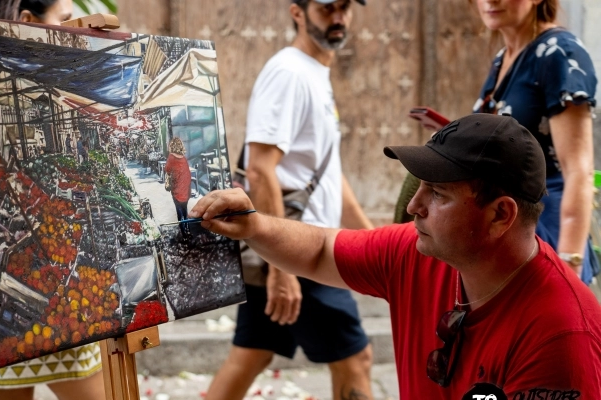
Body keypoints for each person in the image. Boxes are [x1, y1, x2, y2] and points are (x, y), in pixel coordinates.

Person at [192, 114, 601, 399]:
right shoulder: (419, 252)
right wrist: (254, 225)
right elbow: (320, 251)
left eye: (438, 194)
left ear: (500, 215)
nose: (413, 206)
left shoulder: (562, 336)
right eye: (420, 187)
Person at [205, 1, 375, 399]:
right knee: (357, 359)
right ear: (297, 11)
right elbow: (262, 168)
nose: (339, 17)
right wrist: (282, 266)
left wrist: (374, 240)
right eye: (328, 7)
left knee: (251, 354)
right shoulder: (289, 72)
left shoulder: (314, 72)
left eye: (346, 7)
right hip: (302, 251)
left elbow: (329, 174)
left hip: (294, 248)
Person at [0, 2, 106, 400]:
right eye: (64, 18)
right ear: (30, 22)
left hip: (40, 276)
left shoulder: (53, 83)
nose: (75, 26)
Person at [397, 0, 599, 285]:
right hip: (502, 236)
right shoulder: (504, 57)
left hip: (545, 233)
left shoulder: (560, 53)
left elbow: (578, 170)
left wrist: (569, 264)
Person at [164, 137, 192, 222]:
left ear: (171, 146)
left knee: (179, 211)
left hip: (176, 188)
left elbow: (167, 170)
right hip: (186, 188)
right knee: (185, 209)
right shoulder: (184, 158)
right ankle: (187, 230)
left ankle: (184, 232)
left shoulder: (171, 157)